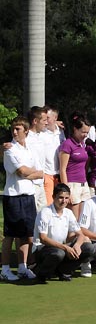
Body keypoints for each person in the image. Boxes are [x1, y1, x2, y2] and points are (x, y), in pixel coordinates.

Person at [1, 116, 42, 281]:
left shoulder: (30, 150)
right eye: (13, 128)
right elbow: (22, 172)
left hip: (28, 196)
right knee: (10, 235)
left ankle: (22, 267)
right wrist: (32, 172)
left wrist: (32, 172)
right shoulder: (9, 149)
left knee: (26, 234)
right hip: (13, 197)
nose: (14, 131)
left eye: (18, 129)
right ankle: (4, 269)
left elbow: (41, 173)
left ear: (26, 131)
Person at [32, 183, 95, 282]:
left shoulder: (68, 213)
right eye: (61, 197)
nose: (64, 201)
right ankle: (41, 273)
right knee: (59, 253)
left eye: (66, 198)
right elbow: (43, 238)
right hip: (42, 250)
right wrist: (66, 248)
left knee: (89, 248)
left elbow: (80, 234)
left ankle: (63, 270)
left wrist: (77, 246)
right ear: (53, 197)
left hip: (60, 248)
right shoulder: (45, 212)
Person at [59, 112, 91, 219]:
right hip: (72, 184)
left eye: (87, 132)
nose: (85, 135)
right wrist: (67, 191)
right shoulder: (67, 144)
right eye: (83, 132)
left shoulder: (82, 144)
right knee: (74, 220)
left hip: (83, 184)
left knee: (83, 219)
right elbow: (62, 169)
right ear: (75, 129)